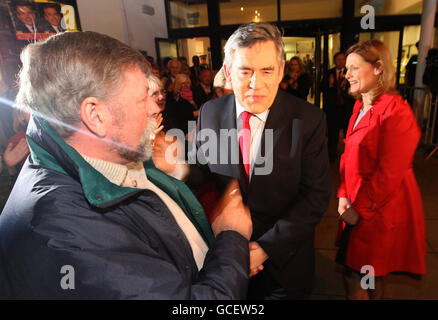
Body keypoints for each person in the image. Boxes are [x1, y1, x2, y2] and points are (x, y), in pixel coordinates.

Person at [0, 31, 253, 299]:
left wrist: (220, 259)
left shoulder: (116, 155)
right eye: (142, 98)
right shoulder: (68, 230)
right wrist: (231, 237)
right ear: (95, 116)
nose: (153, 109)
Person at [181, 23, 331, 299]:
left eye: (266, 71)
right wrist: (174, 168)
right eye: (245, 71)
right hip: (223, 262)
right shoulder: (211, 112)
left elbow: (316, 197)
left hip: (285, 265)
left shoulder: (308, 119)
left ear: (281, 70)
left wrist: (264, 249)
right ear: (227, 72)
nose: (256, 84)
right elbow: (200, 171)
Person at [336, 39, 426, 300]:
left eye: (354, 68)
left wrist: (358, 210)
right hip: (358, 204)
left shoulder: (396, 111)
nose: (347, 74)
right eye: (346, 68)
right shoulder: (360, 107)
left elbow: (390, 172)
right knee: (361, 273)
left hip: (378, 211)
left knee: (362, 275)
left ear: (377, 68)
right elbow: (347, 157)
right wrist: (343, 195)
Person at [321, 52, 355, 162]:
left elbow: (356, 90)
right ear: (334, 61)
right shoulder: (329, 72)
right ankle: (331, 157)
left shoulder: (351, 73)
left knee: (348, 134)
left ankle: (349, 157)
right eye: (338, 59)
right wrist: (330, 84)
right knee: (332, 134)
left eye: (342, 59)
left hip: (346, 108)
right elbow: (321, 87)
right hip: (333, 109)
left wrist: (348, 85)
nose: (340, 61)